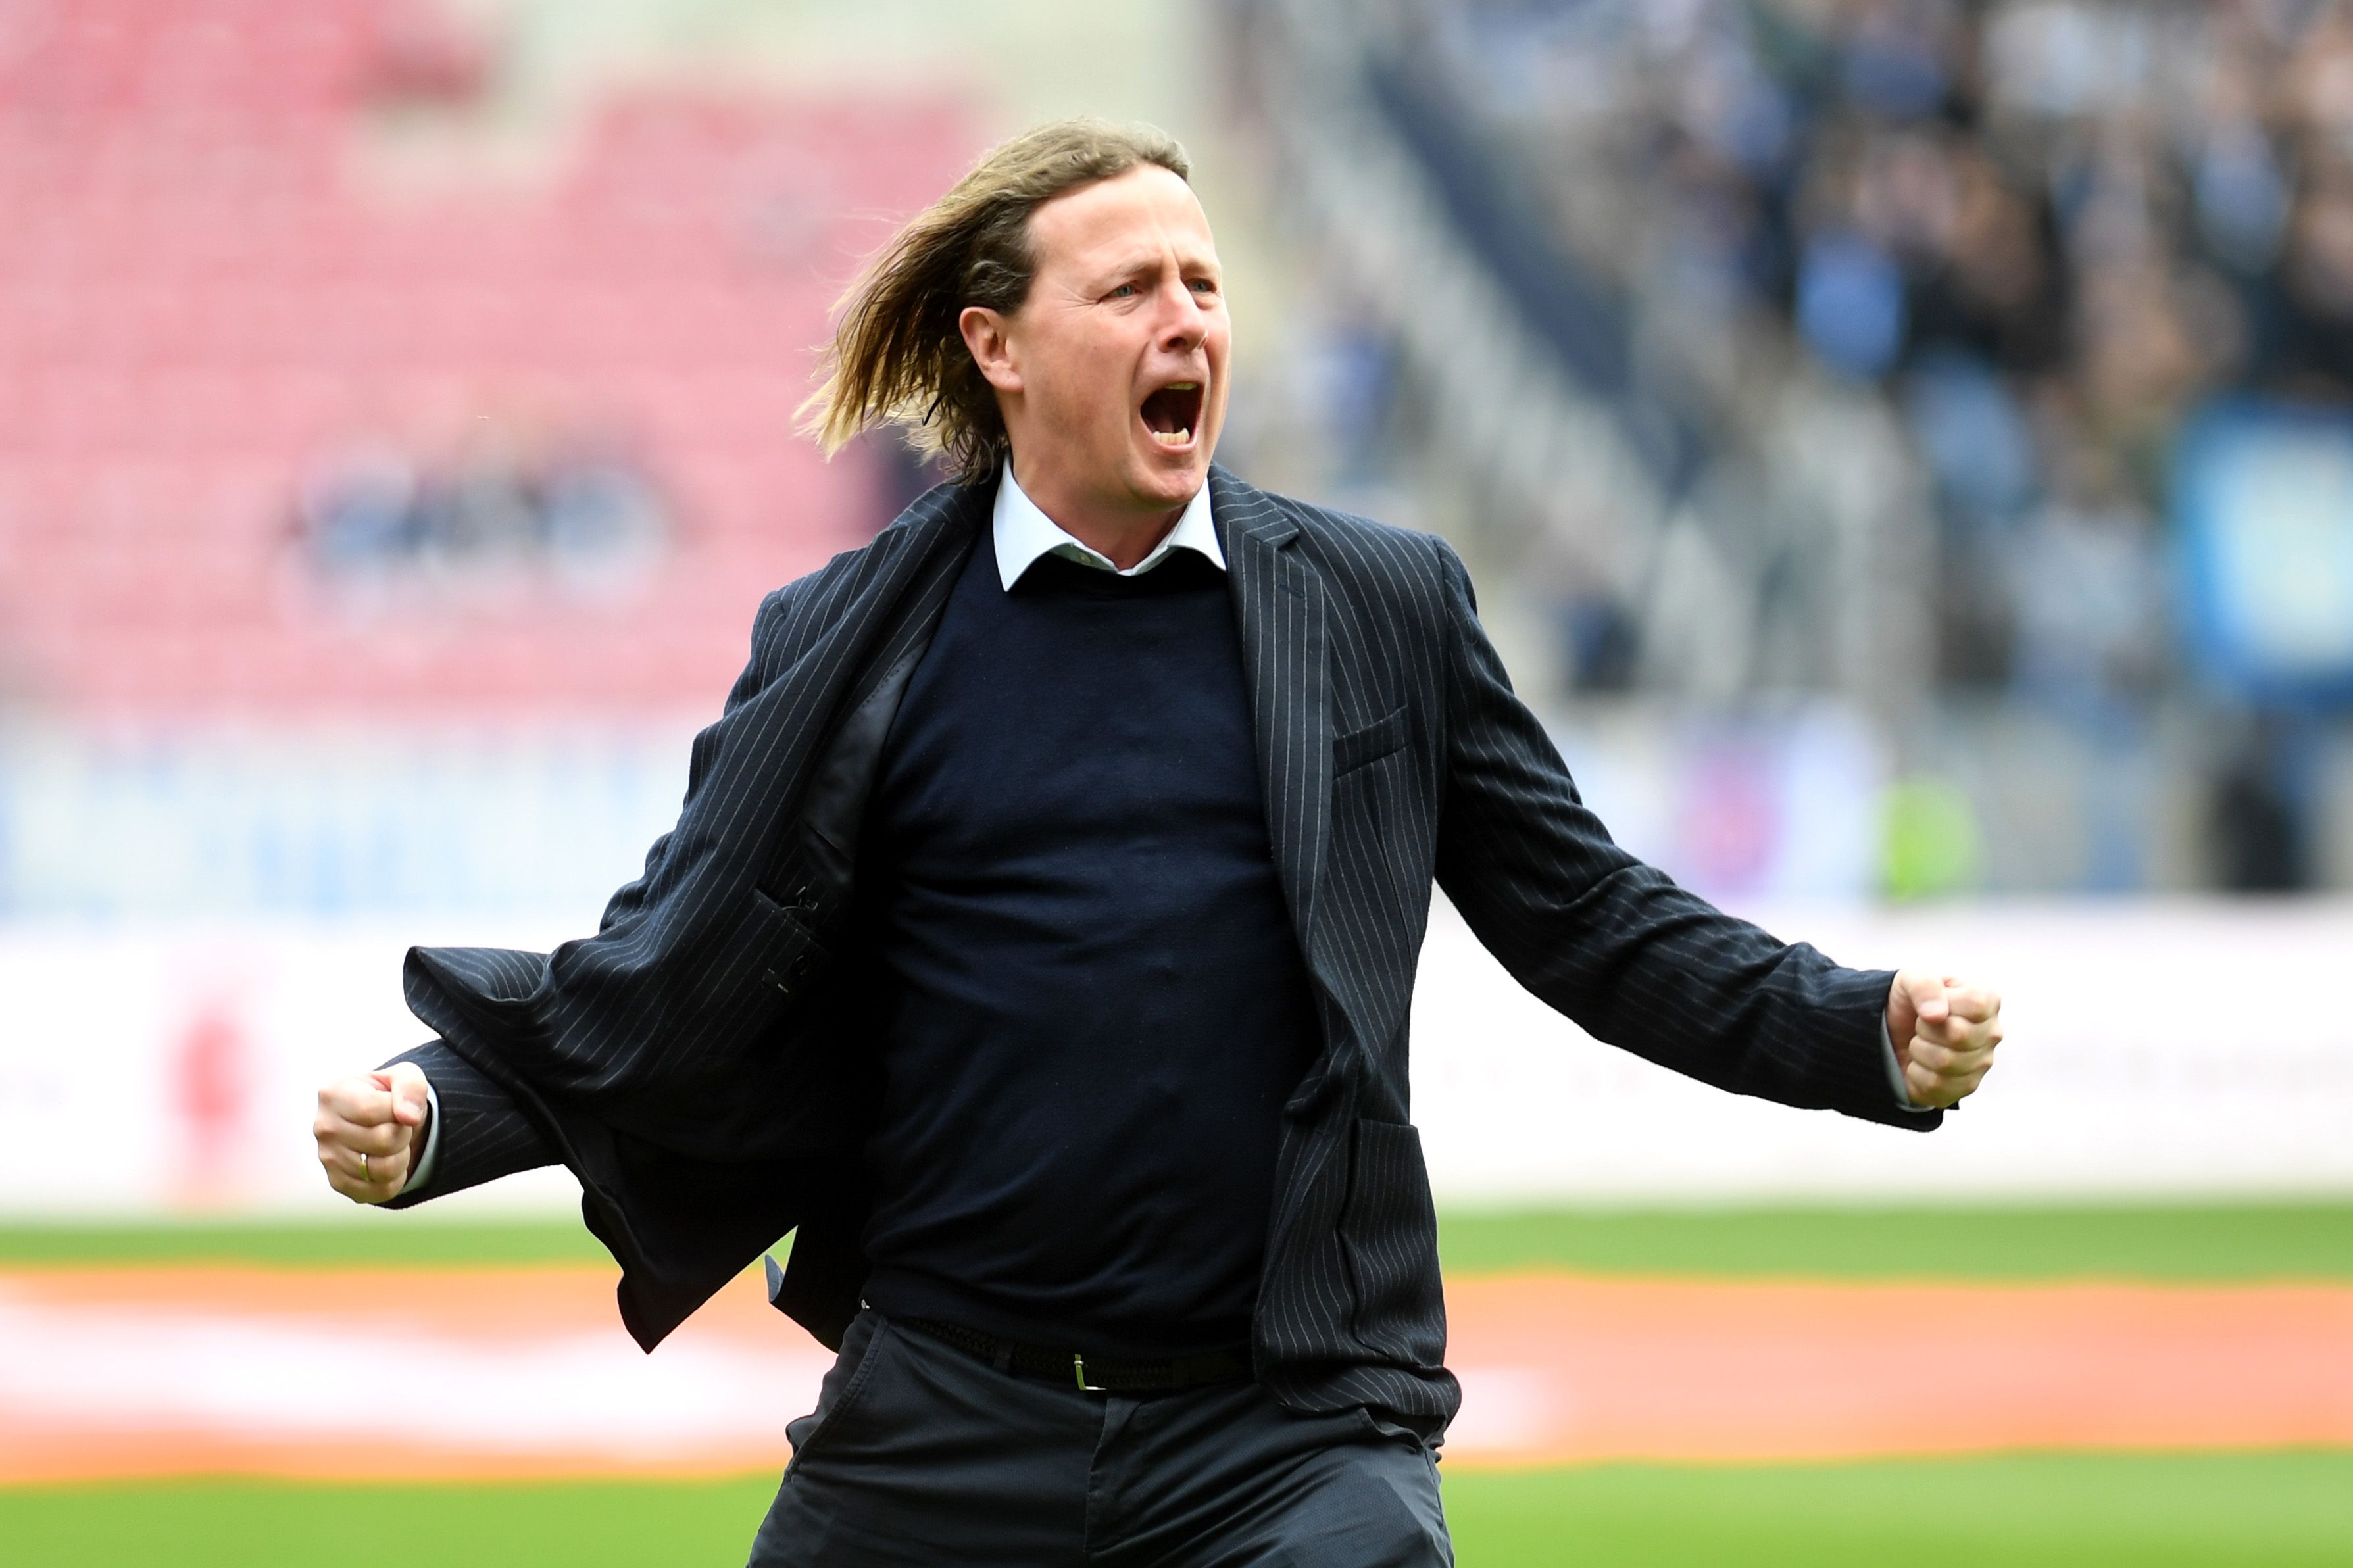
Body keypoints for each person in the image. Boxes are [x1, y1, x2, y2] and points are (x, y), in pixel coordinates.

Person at [312, 120, 2004, 1567]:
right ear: (998, 346)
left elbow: (1589, 917)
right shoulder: (845, 636)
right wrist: (439, 1109)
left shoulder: (1380, 606)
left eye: (1204, 282)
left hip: (1286, 1430)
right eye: (1130, 288)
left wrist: (1857, 1028)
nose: (1186, 315)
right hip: (943, 1422)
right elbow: (669, 967)